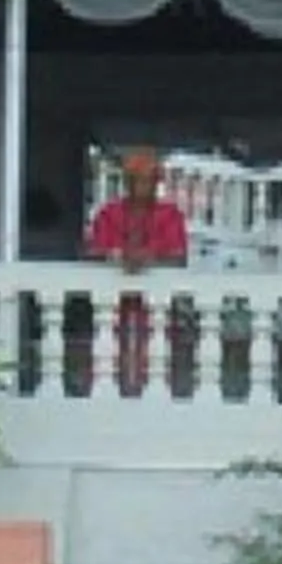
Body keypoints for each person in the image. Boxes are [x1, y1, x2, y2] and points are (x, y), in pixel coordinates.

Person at [86, 150, 189, 394]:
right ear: (126, 182)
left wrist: (148, 257)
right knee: (107, 367)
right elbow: (93, 253)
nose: (143, 186)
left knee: (156, 370)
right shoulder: (108, 214)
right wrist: (119, 256)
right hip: (112, 308)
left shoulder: (171, 215)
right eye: (136, 179)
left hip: (156, 309)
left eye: (149, 180)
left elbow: (178, 257)